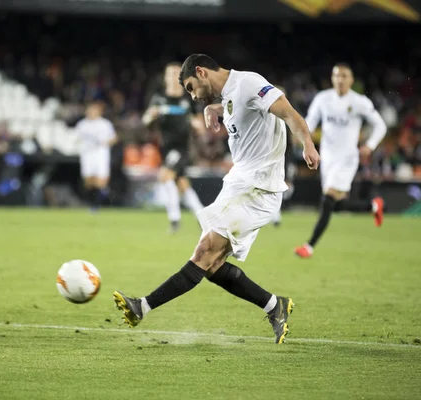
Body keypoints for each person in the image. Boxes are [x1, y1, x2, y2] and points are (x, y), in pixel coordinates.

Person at [113, 54, 320, 344]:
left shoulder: (249, 83)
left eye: (191, 86)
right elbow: (238, 105)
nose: (192, 95)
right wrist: (215, 106)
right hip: (237, 183)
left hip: (259, 188)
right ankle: (275, 306)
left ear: (202, 72)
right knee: (210, 266)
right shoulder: (231, 94)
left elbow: (288, 113)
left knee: (204, 252)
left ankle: (142, 307)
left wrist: (307, 144)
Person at [294, 64, 387, 258]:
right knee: (336, 205)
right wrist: (303, 138)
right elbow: (310, 122)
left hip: (347, 159)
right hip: (327, 158)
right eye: (336, 75)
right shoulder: (323, 99)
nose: (340, 79)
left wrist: (369, 145)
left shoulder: (359, 101)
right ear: (332, 78)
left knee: (327, 200)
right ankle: (373, 206)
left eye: (344, 76)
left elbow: (380, 125)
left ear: (351, 80)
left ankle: (309, 246)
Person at [143, 62, 204, 233]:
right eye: (169, 73)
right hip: (165, 148)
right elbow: (146, 120)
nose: (172, 77)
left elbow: (200, 123)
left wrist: (196, 123)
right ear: (165, 77)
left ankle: (175, 219)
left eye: (177, 73)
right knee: (182, 184)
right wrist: (150, 116)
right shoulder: (158, 98)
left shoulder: (189, 97)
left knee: (165, 176)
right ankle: (203, 216)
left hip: (182, 147)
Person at [75, 100, 117, 211]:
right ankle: (92, 202)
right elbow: (76, 138)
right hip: (87, 154)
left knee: (101, 181)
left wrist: (106, 143)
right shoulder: (82, 124)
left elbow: (114, 138)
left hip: (100, 154)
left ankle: (96, 205)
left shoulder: (105, 124)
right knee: (88, 182)